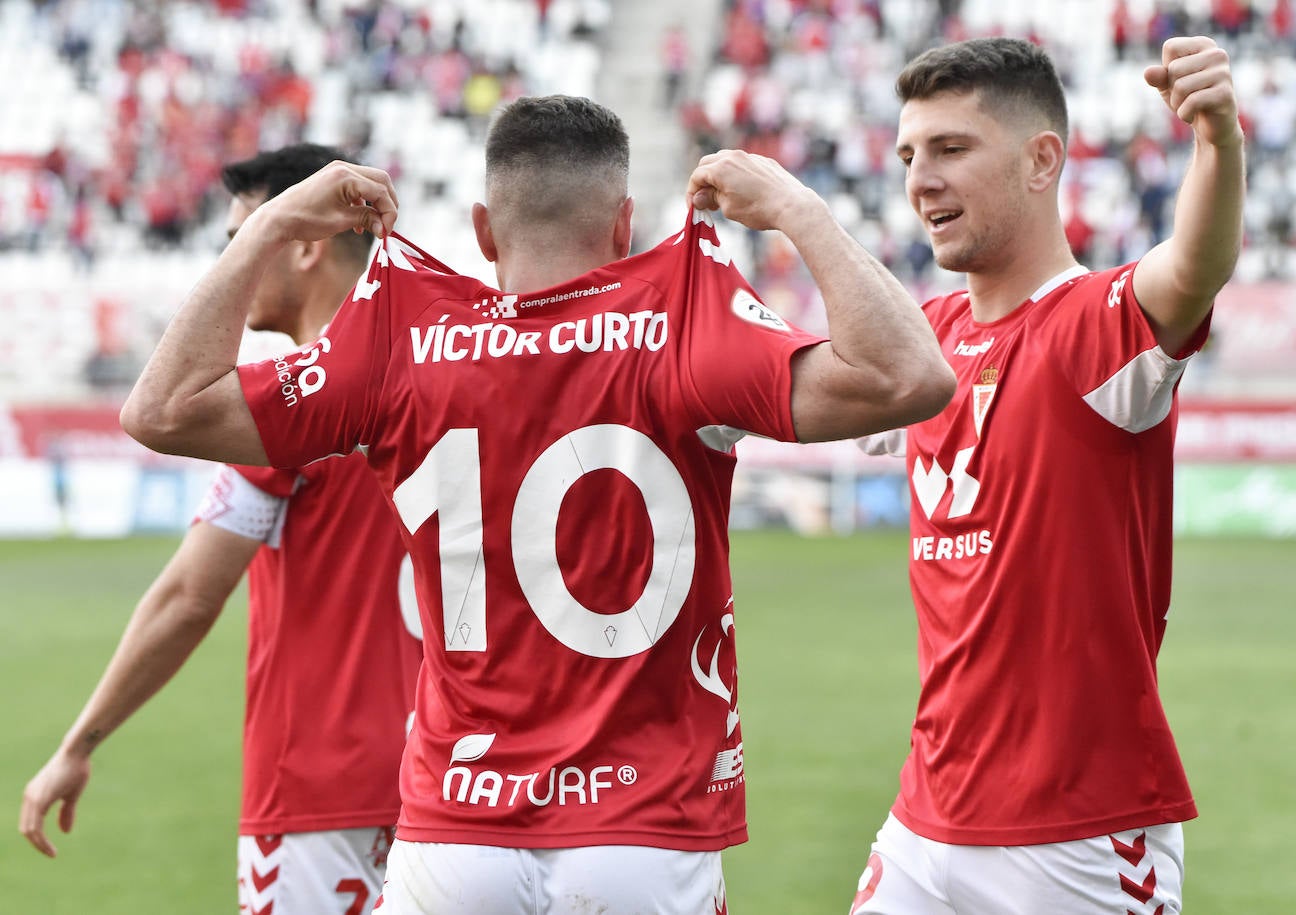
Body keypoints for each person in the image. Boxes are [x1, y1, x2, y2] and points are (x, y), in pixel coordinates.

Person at [117, 95, 956, 914]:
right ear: (624, 227)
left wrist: (268, 227)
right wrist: (800, 210)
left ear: (484, 232)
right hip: (641, 830)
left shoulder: (401, 340)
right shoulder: (682, 326)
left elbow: (161, 410)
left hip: (456, 830)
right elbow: (911, 377)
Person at [851, 36, 1243, 914]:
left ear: (1041, 160)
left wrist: (1218, 137)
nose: (921, 180)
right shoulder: (925, 342)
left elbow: (1195, 266)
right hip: (923, 821)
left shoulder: (1092, 324)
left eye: (951, 148)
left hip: (1080, 835)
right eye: (909, 155)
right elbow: (780, 381)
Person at [19, 144, 423, 915]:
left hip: (320, 797)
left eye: (244, 238)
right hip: (457, 789)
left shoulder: (290, 414)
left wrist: (78, 744)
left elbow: (187, 598)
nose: (231, 261)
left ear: (303, 243)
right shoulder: (446, 377)